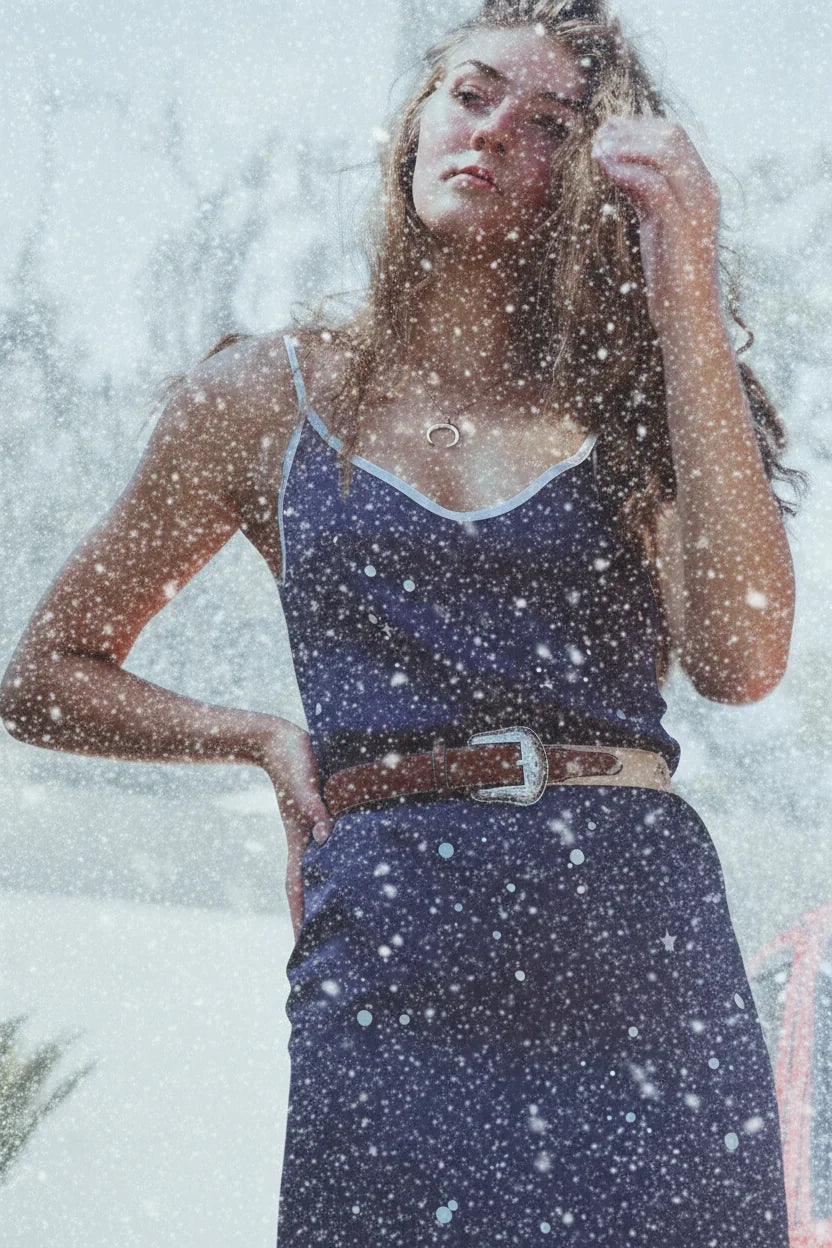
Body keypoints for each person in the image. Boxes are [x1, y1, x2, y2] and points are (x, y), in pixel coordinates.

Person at [0, 0, 807, 1242]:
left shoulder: (640, 395)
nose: (494, 136)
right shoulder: (259, 396)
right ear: (416, 116)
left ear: (590, 179)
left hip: (634, 946)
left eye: (550, 126)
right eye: (473, 94)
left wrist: (684, 291)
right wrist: (261, 737)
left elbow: (741, 662)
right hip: (392, 937)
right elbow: (43, 675)